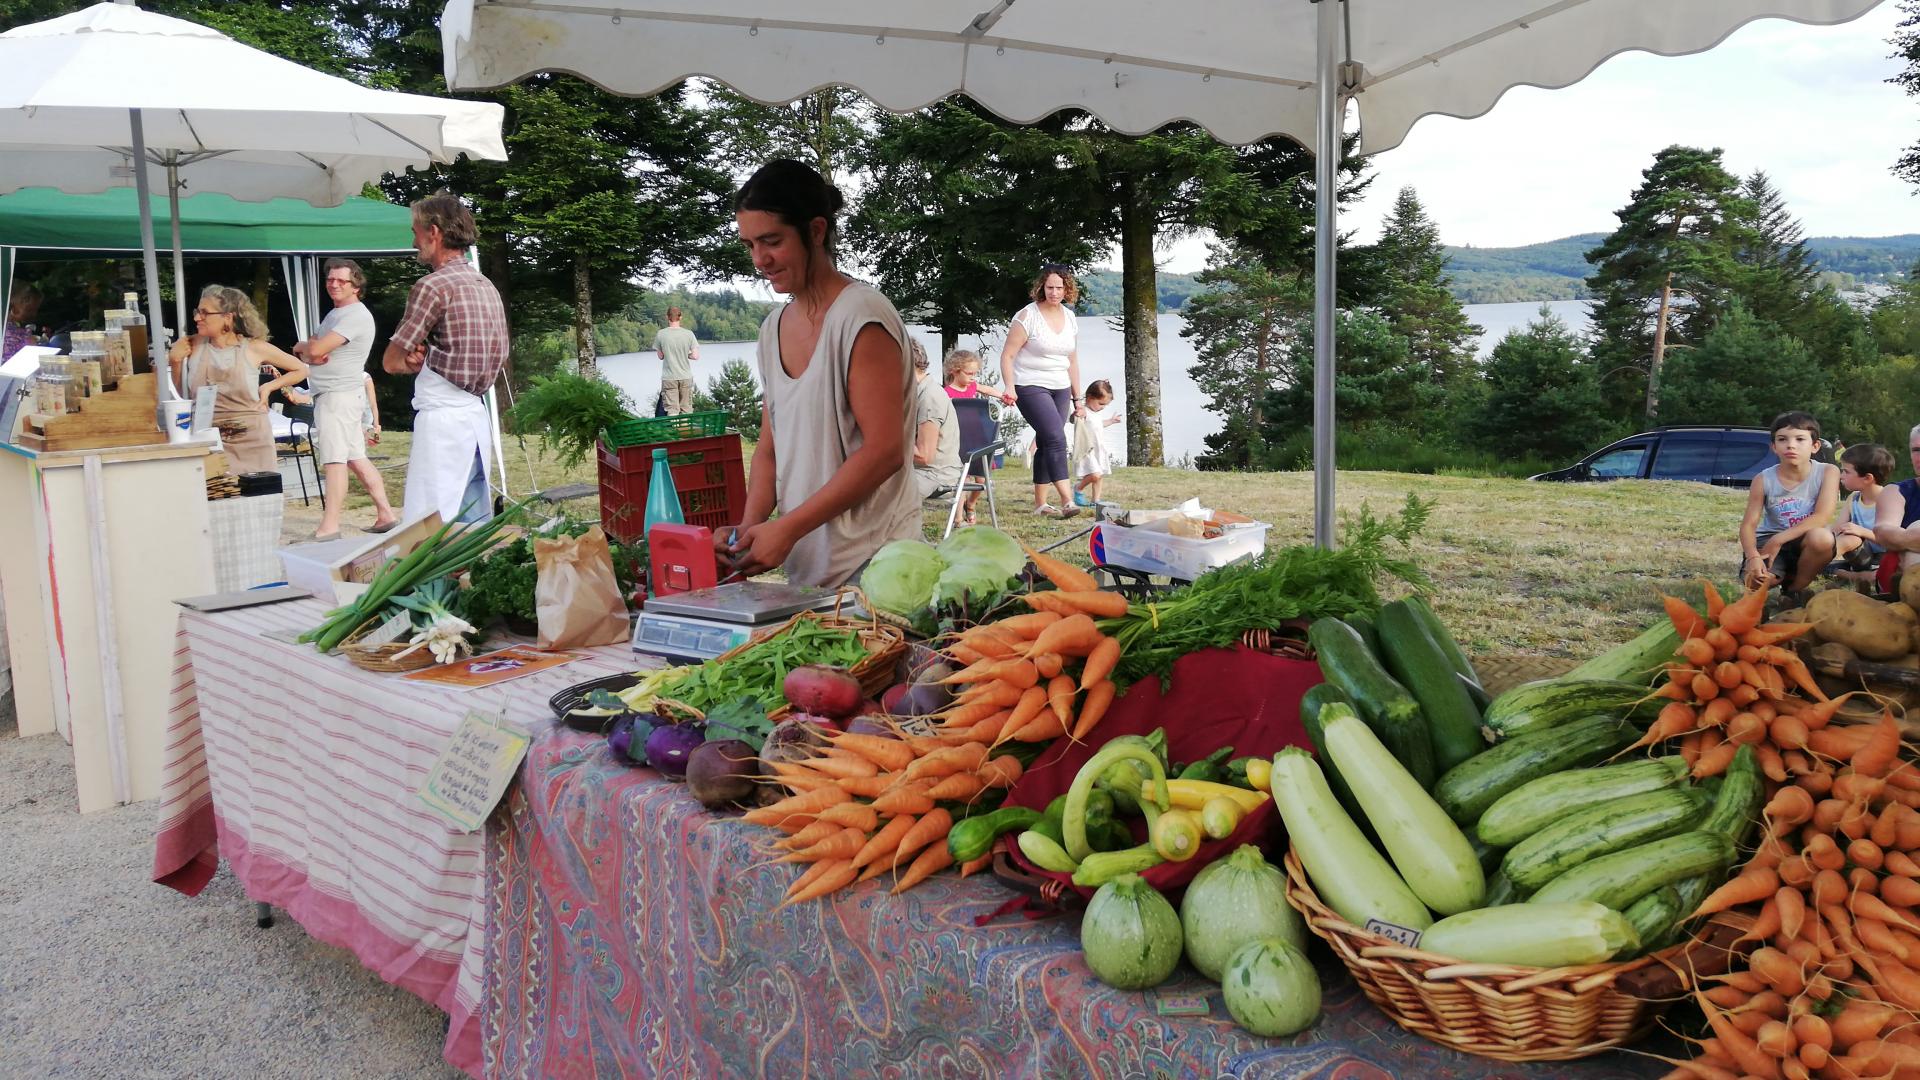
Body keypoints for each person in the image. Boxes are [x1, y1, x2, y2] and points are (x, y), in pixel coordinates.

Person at [718, 159, 918, 588]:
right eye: (750, 245)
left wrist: (787, 528)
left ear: (815, 231)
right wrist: (746, 534)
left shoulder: (860, 316)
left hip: (878, 568)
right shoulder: (772, 329)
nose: (760, 259)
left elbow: (885, 452)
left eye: (771, 241)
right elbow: (771, 450)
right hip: (807, 572)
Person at [383, 193, 508, 525]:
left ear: (434, 232)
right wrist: (429, 356)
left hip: (442, 424)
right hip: (474, 417)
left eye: (416, 231)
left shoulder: (432, 286)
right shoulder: (485, 285)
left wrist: (412, 359)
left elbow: (391, 361)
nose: (414, 241)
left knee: (430, 531)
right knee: (471, 528)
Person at [293, 259, 398, 541]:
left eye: (341, 280)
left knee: (334, 459)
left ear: (356, 286)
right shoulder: (335, 315)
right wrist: (308, 348)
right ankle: (386, 514)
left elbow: (316, 349)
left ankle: (329, 527)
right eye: (330, 280)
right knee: (355, 457)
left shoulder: (354, 315)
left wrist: (308, 349)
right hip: (340, 394)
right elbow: (312, 349)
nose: (334, 284)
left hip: (337, 396)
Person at [167, 286, 307, 476]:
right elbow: (179, 398)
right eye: (197, 311)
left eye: (205, 313)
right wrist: (174, 361)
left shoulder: (254, 348)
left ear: (228, 317)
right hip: (207, 439)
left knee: (258, 498)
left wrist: (269, 386)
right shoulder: (191, 345)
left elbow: (301, 369)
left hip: (252, 442)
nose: (197, 318)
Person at [998, 264, 1086, 518]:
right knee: (1056, 438)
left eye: (1059, 288)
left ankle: (1040, 505)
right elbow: (1008, 355)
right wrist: (1009, 386)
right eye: (1050, 287)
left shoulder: (1069, 317)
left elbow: (1073, 361)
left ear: (1067, 289)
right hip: (1030, 385)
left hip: (1060, 387)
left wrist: (1077, 398)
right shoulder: (1027, 317)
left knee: (1048, 443)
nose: (1054, 292)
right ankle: (1068, 500)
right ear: (1042, 287)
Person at [1739, 411, 1839, 596]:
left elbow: (1822, 516)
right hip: (1768, 539)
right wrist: (1753, 556)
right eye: (1782, 439)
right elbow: (1748, 524)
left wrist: (1779, 539)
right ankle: (1776, 575)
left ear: (1815, 446)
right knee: (1757, 582)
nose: (1791, 445)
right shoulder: (1763, 479)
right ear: (1774, 447)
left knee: (1822, 538)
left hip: (1805, 540)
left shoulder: (1828, 472)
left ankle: (1793, 590)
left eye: (1800, 439)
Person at [908, 340, 962, 501]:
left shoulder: (929, 397)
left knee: (873, 490)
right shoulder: (913, 392)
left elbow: (924, 457)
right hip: (912, 471)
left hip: (935, 475)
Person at [1833, 442, 1891, 584]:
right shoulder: (1853, 498)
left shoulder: (1889, 499)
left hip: (1886, 555)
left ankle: (1850, 575)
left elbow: (1892, 540)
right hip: (1861, 556)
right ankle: (1821, 561)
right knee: (1847, 536)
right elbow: (1836, 529)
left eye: (1846, 471)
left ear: (1867, 478)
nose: (1841, 476)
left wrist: (1861, 531)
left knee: (1881, 574)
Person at [943, 349, 987, 524]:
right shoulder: (946, 393)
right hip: (959, 439)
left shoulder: (972, 387)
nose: (973, 377)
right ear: (955, 370)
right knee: (963, 479)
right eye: (969, 373)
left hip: (976, 436)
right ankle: (958, 519)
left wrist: (1004, 396)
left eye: (975, 374)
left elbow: (987, 390)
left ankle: (971, 503)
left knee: (981, 479)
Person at [1874, 426, 1920, 579]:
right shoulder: (1896, 492)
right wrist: (1912, 539)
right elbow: (1883, 531)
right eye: (1916, 450)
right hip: (1902, 574)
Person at [1073, 379, 1122, 507]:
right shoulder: (1084, 411)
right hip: (1087, 449)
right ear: (1089, 397)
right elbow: (1073, 419)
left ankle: (1096, 500)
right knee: (1095, 475)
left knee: (1099, 476)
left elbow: (1099, 425)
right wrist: (1076, 413)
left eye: (1105, 405)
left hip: (1098, 449)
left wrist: (1111, 421)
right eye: (1101, 403)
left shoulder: (1096, 414)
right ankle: (1078, 488)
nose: (1102, 407)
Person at [654, 306, 701, 415]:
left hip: (669, 378)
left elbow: (660, 356)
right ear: (680, 317)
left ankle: (674, 431)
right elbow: (695, 356)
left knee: (672, 409)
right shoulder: (689, 334)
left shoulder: (661, 334)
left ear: (667, 317)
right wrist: (685, 354)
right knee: (686, 408)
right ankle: (686, 430)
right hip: (685, 377)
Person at [5, 280, 40, 361]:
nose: (34, 314)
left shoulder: (13, 327)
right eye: (29, 310)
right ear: (14, 309)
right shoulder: (11, 333)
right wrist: (29, 340)